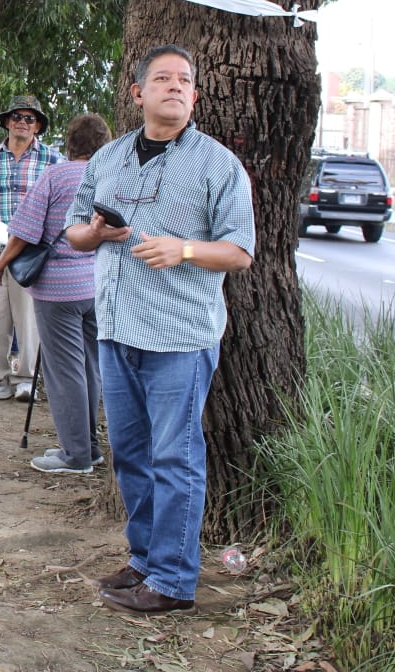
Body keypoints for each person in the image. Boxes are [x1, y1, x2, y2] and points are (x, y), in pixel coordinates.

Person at [65, 46, 254, 614]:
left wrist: (185, 249)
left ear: (194, 96)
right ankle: (146, 559)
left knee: (176, 457)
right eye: (162, 79)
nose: (174, 87)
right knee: (130, 454)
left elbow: (240, 252)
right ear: (138, 92)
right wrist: (96, 233)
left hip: (180, 338)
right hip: (117, 328)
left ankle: (173, 581)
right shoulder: (110, 159)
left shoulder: (219, 165)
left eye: (184, 81)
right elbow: (73, 232)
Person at [0, 114, 111, 473]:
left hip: (58, 289)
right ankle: (90, 446)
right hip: (97, 285)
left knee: (64, 372)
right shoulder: (110, 178)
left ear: (70, 143)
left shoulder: (56, 176)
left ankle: (75, 455)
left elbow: (24, 231)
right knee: (91, 366)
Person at [0, 94, 62, 401]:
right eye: (17, 117)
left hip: (32, 250)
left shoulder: (51, 159)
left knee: (29, 317)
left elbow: (61, 204)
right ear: (7, 123)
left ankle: (26, 379)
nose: (22, 123)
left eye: (29, 118)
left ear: (38, 127)